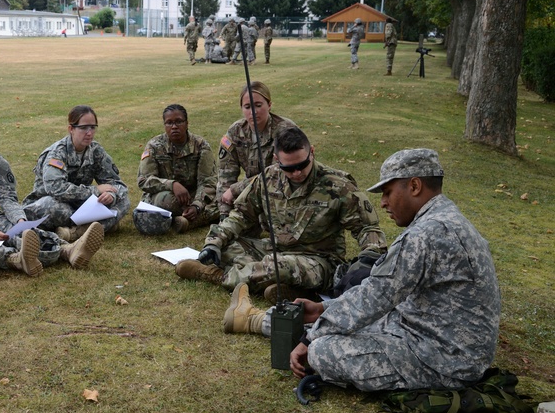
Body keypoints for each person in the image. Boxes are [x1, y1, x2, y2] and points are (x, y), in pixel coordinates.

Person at [224, 149, 500, 393]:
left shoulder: (427, 234)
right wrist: (323, 311)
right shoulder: (445, 220)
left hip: (444, 359)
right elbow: (374, 294)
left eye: (388, 192)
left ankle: (257, 320)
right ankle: (256, 320)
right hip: (430, 333)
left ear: (414, 186)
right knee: (338, 321)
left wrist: (311, 337)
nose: (382, 203)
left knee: (322, 348)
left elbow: (375, 296)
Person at [176, 126, 387, 303]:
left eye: (303, 165)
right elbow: (241, 214)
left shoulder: (337, 185)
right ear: (277, 159)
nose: (297, 173)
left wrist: (369, 257)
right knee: (229, 248)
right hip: (275, 248)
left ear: (312, 152)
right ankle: (290, 289)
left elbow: (367, 228)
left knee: (280, 267)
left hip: (319, 260)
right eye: (289, 167)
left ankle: (219, 276)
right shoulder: (268, 178)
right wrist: (215, 242)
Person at [0, 107, 104, 276]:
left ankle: (67, 249)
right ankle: (14, 258)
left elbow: (6, 196)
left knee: (23, 234)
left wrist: (19, 220)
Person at [22, 105, 130, 240]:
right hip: (53, 202)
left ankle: (76, 232)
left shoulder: (96, 151)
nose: (89, 132)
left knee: (123, 200)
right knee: (55, 207)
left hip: (80, 203)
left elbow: (117, 184)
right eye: (84, 128)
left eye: (92, 127)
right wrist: (95, 191)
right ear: (71, 129)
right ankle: (100, 226)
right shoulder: (56, 153)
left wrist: (110, 195)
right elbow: (55, 189)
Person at [215, 81, 296, 219]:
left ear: (269, 105)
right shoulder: (235, 132)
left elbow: (277, 175)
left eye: (258, 105)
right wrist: (224, 213)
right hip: (250, 192)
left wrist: (236, 189)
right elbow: (225, 177)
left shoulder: (286, 131)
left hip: (283, 193)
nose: (253, 112)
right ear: (241, 108)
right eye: (247, 107)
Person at [136, 104, 219, 233]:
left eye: (179, 122)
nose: (174, 127)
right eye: (169, 123)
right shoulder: (154, 146)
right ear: (164, 125)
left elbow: (207, 181)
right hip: (167, 196)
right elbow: (143, 180)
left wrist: (197, 205)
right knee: (164, 200)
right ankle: (195, 217)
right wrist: (172, 184)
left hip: (194, 195)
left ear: (187, 123)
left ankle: (185, 221)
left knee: (226, 199)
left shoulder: (201, 146)